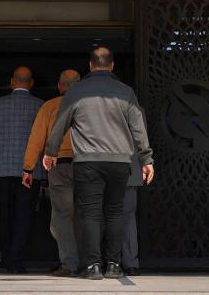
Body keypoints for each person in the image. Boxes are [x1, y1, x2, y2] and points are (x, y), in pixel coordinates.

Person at [44, 46, 154, 280]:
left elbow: (61, 123)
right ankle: (114, 265)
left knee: (90, 213)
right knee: (114, 211)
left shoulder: (77, 91)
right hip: (119, 161)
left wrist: (51, 152)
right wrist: (146, 159)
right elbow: (138, 128)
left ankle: (93, 266)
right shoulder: (126, 92)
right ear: (112, 65)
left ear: (90, 65)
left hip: (87, 160)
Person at [0, 66, 44, 274]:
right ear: (31, 83)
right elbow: (42, 140)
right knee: (24, 215)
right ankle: (16, 258)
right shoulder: (40, 105)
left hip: (2, 170)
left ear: (12, 82)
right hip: (30, 171)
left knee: (4, 215)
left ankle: (6, 256)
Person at [21, 69, 81, 277]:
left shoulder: (50, 106)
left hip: (59, 165)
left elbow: (36, 139)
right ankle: (91, 261)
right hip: (88, 165)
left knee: (62, 217)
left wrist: (28, 168)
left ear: (59, 86)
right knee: (87, 214)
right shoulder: (88, 105)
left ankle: (70, 263)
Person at [122, 154, 143, 276]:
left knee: (98, 215)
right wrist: (147, 160)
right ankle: (130, 263)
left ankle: (99, 262)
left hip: (100, 167)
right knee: (128, 217)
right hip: (128, 166)